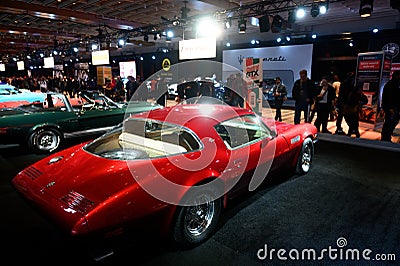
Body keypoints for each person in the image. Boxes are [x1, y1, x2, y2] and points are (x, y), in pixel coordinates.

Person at [340, 72, 362, 138]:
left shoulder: (344, 85)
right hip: (351, 104)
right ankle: (354, 131)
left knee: (350, 118)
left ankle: (352, 131)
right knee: (353, 119)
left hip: (349, 104)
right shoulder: (353, 86)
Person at [381, 70, 400, 142]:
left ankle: (387, 137)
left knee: (392, 123)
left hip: (394, 108)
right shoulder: (390, 85)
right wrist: (389, 108)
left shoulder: (395, 84)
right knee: (389, 124)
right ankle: (385, 138)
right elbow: (388, 98)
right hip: (391, 108)